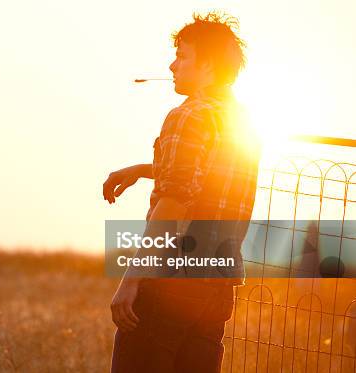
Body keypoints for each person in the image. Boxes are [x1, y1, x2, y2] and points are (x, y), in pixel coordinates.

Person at [102, 12, 261, 372]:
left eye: (183, 56)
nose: (173, 65)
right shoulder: (242, 121)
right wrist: (143, 170)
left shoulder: (187, 116)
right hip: (217, 286)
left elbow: (174, 200)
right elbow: (212, 177)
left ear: (206, 65)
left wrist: (130, 281)